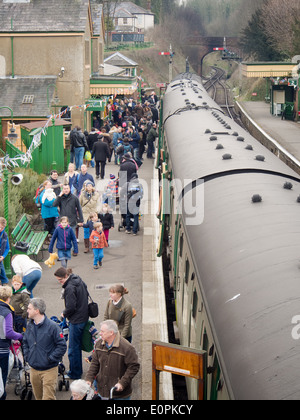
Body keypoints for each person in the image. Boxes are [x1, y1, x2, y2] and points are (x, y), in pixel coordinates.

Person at [23, 298, 67, 400]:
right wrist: (27, 356)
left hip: (49, 370)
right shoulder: (29, 325)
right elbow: (25, 342)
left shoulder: (53, 327)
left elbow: (62, 346)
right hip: (34, 369)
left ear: (37, 310)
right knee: (38, 398)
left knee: (48, 398)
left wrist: (50, 359)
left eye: (29, 308)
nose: (27, 311)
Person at [85, 320, 140, 400]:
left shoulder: (127, 348)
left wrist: (122, 383)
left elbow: (133, 367)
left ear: (111, 333)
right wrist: (89, 379)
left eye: (102, 331)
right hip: (102, 392)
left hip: (120, 395)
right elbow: (94, 363)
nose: (100, 333)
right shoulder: (98, 344)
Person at [54, 267, 89, 380]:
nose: (59, 282)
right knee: (77, 346)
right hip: (83, 316)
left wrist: (64, 313)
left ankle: (74, 373)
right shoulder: (77, 279)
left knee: (73, 349)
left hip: (76, 320)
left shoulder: (69, 287)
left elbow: (70, 307)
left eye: (60, 280)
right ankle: (77, 370)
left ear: (65, 276)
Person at [0, 285, 23, 400]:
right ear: (8, 298)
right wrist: (20, 336)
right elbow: (8, 332)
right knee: (2, 378)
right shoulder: (6, 311)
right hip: (2, 349)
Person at [53, 184, 84, 254]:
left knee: (72, 236)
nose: (66, 190)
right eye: (64, 189)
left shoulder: (74, 198)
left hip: (72, 220)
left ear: (69, 189)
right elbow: (54, 204)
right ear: (62, 190)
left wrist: (81, 220)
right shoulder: (60, 198)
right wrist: (59, 196)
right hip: (63, 221)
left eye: (67, 188)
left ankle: (74, 250)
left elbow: (79, 209)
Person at [79, 182, 100, 253]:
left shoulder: (96, 194)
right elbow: (80, 203)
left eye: (90, 186)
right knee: (86, 230)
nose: (89, 187)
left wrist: (98, 212)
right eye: (87, 186)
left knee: (94, 229)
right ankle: (86, 246)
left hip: (93, 214)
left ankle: (95, 243)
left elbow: (98, 203)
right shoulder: (82, 194)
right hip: (85, 214)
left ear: (92, 186)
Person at [0, 217, 9, 286]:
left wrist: (3, 256)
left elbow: (7, 248)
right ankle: (4, 281)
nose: (0, 229)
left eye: (2, 228)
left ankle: (4, 282)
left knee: (2, 269)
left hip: (0, 256)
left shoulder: (4, 235)